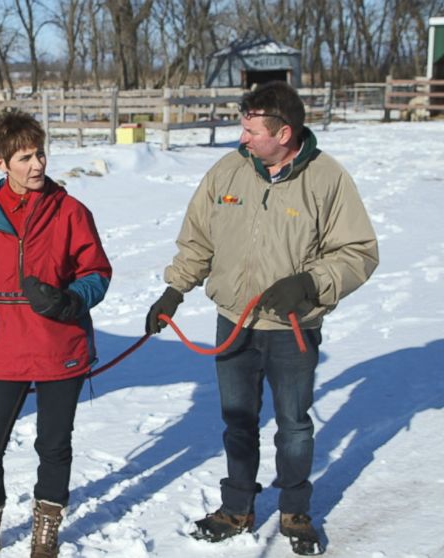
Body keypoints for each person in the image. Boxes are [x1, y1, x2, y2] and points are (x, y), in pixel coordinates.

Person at [145, 81, 379, 556]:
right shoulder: (228, 172)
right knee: (237, 421)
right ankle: (238, 508)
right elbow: (198, 241)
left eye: (252, 130)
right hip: (233, 320)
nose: (243, 138)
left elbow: (358, 252)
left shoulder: (327, 180)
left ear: (285, 132)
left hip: (292, 328)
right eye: (243, 126)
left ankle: (295, 511)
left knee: (293, 425)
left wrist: (310, 283)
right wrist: (174, 290)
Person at [0, 112, 112, 558]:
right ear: (1, 162)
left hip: (60, 349)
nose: (37, 165)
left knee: (53, 445)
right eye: (24, 157)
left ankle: (45, 533)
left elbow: (97, 272)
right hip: (4, 349)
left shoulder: (69, 210)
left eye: (40, 154)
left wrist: (71, 300)